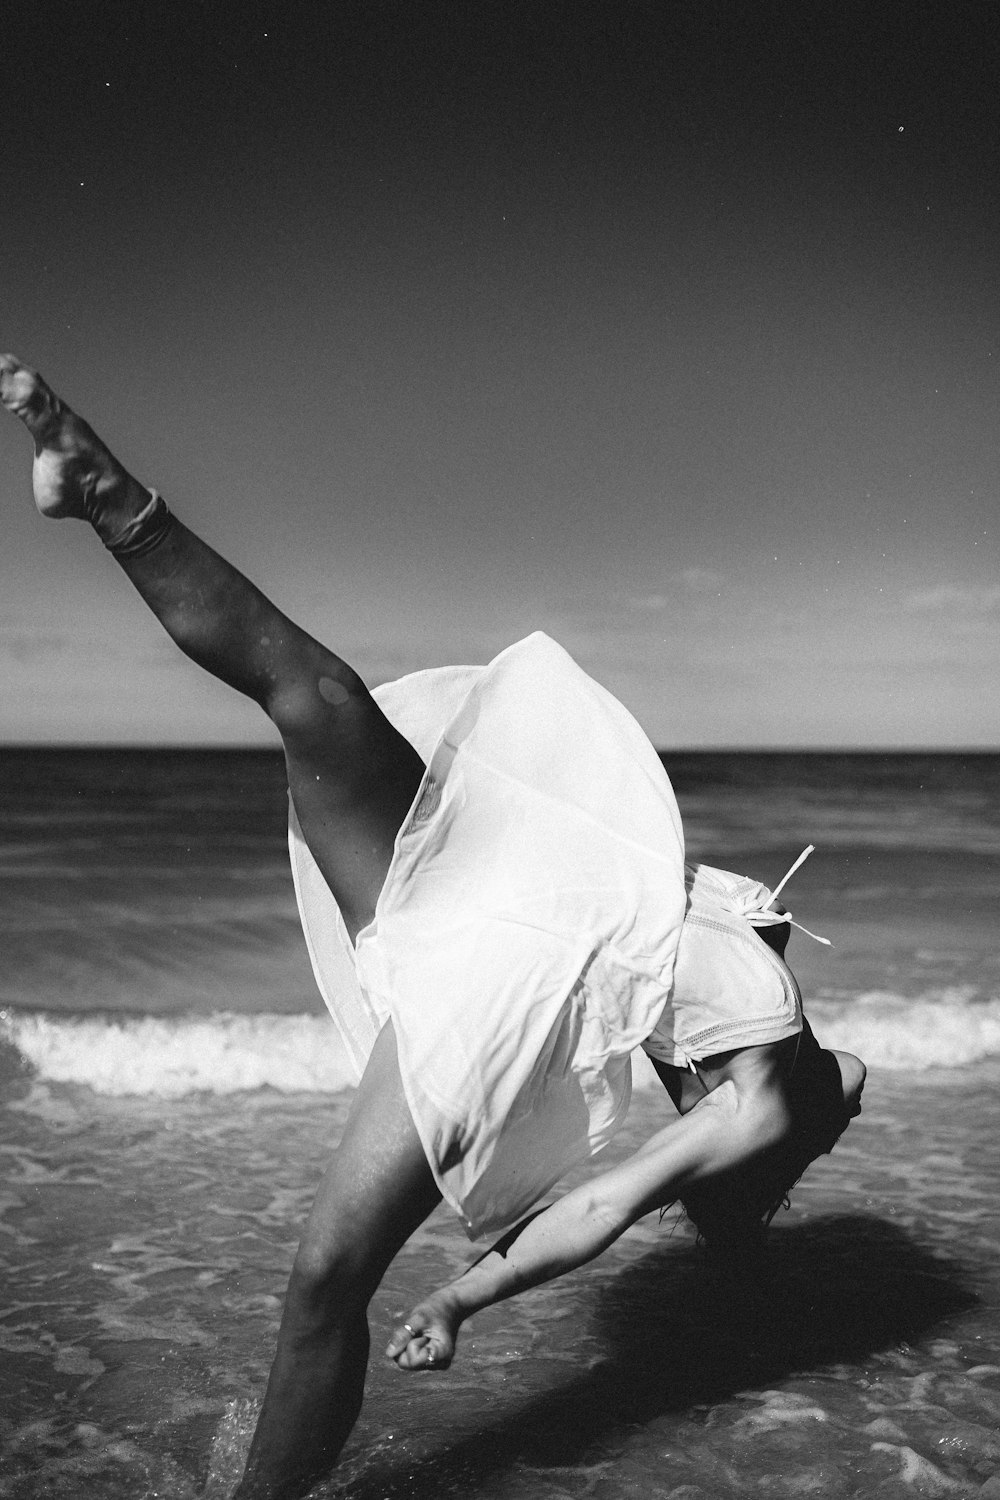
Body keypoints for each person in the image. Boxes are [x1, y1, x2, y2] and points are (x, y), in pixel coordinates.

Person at [1, 354, 866, 1500]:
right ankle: (99, 484)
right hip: (519, 891)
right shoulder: (781, 1095)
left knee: (313, 700)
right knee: (315, 696)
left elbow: (608, 1204)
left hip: (516, 946)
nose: (670, 1114)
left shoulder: (769, 1091)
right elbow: (777, 1112)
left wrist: (463, 1294)